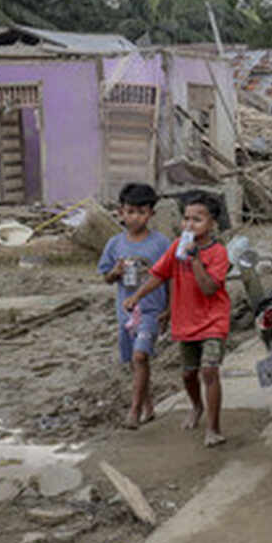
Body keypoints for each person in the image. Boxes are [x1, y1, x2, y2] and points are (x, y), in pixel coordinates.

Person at [124, 191, 230, 447]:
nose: (189, 225)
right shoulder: (176, 247)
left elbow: (208, 288)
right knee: (187, 375)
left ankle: (213, 428)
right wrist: (136, 296)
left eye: (197, 219)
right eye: (186, 219)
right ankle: (196, 406)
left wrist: (193, 260)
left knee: (209, 371)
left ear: (212, 223)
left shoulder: (218, 253)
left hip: (214, 320)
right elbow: (159, 275)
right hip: (185, 321)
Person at [98, 182, 173, 430]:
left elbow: (172, 277)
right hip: (126, 314)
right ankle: (149, 406)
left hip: (151, 311)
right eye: (130, 212)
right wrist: (115, 272)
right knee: (135, 361)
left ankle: (134, 410)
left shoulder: (161, 244)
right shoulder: (115, 244)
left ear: (151, 213)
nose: (135, 217)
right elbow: (105, 276)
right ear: (121, 212)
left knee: (141, 356)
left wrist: (169, 309)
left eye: (141, 212)